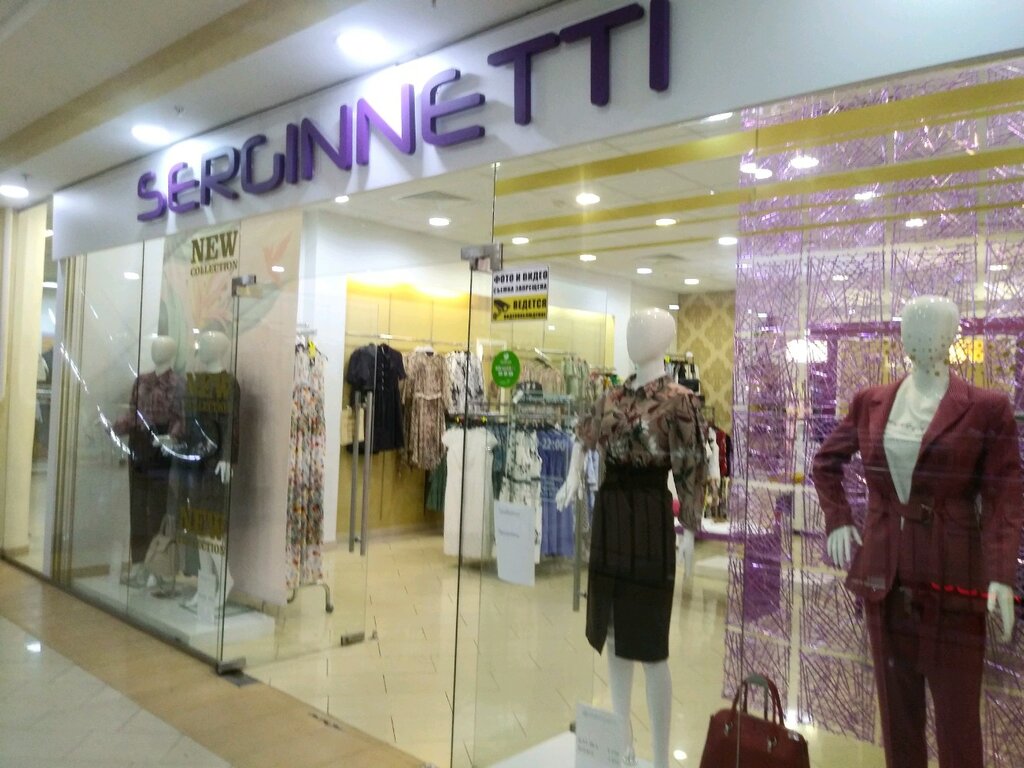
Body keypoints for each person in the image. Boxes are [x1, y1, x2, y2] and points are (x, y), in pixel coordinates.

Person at [812, 295, 1022, 768]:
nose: (921, 336)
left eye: (933, 327)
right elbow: (826, 462)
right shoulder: (871, 401)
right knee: (898, 718)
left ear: (952, 337)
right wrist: (838, 518)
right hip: (885, 577)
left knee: (957, 721)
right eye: (912, 326)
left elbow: (1005, 496)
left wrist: (1000, 574)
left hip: (952, 578)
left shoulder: (986, 408)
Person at [556, 308, 706, 768]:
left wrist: (690, 529)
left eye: (644, 330)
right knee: (616, 636)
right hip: (611, 515)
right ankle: (622, 745)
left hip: (648, 518)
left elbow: (691, 466)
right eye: (631, 329)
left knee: (652, 646)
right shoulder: (613, 396)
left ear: (665, 339)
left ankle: (659, 759)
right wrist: (573, 474)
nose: (633, 337)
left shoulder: (680, 400)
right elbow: (583, 436)